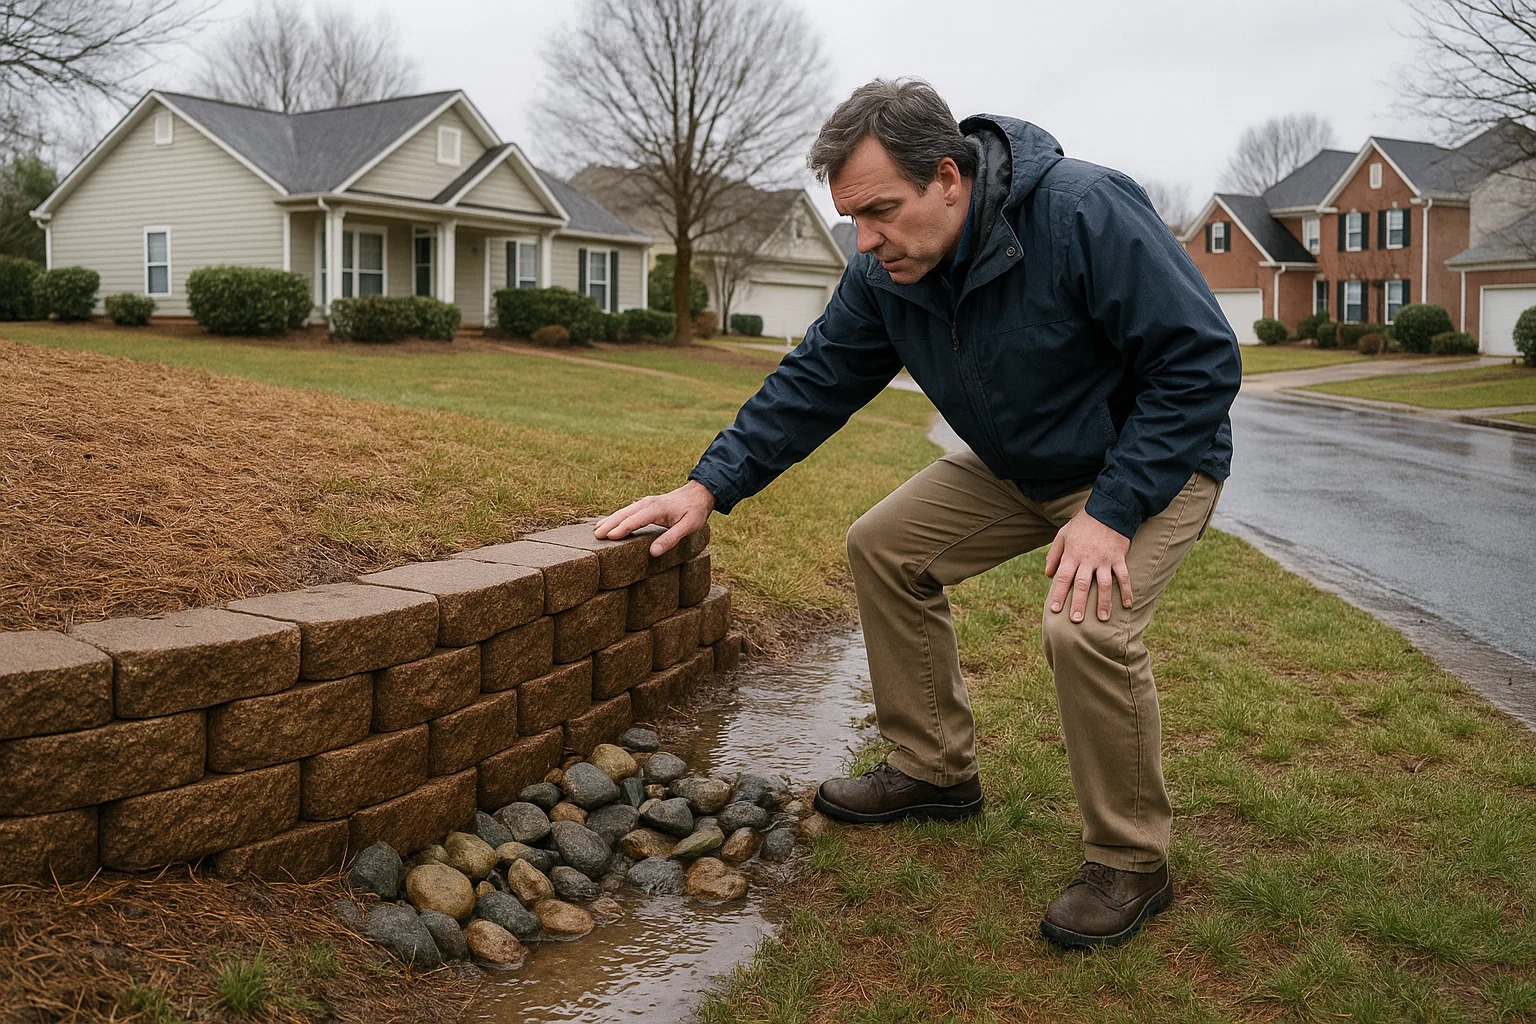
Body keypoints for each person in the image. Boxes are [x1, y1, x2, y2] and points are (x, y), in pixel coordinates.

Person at [594, 78, 1241, 948]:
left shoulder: (1086, 210)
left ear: (948, 176)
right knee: (884, 546)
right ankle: (935, 768)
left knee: (1086, 627)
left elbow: (1198, 361)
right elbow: (813, 382)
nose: (868, 241)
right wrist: (705, 487)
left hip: (1149, 463)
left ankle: (1130, 861)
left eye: (882, 212)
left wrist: (1113, 512)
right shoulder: (887, 272)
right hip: (1020, 465)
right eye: (853, 220)